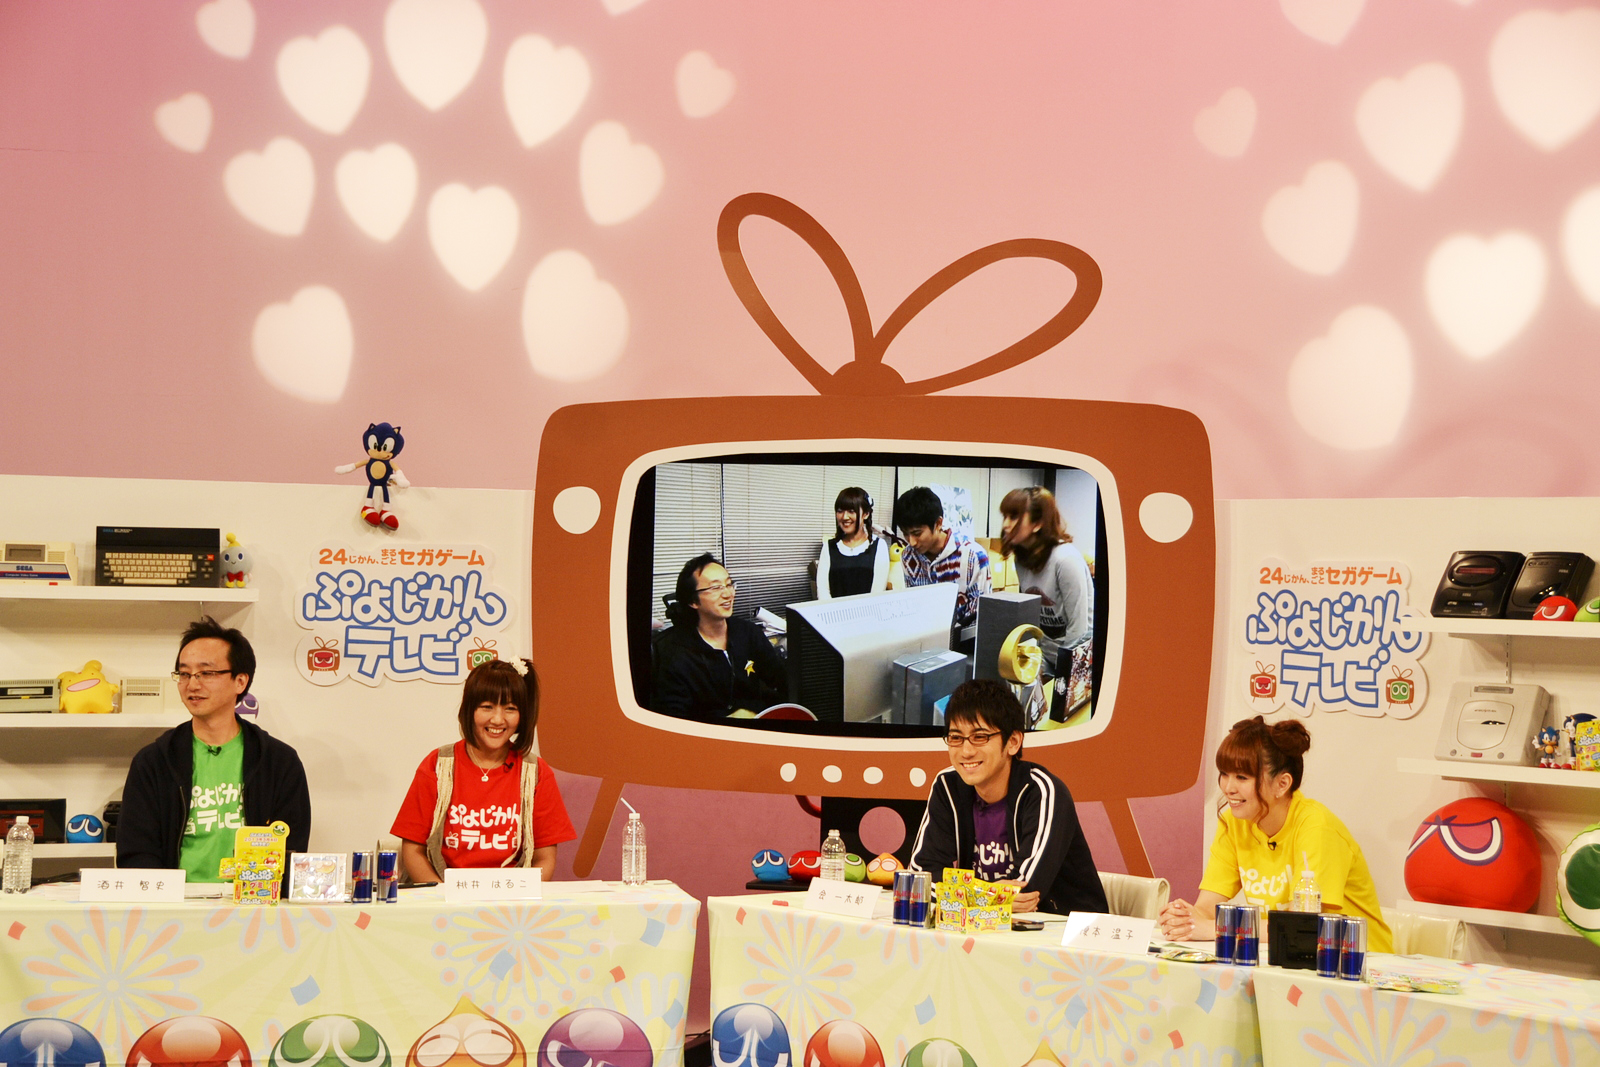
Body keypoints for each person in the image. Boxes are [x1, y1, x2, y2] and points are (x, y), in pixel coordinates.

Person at [1158, 716, 1393, 950]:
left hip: (1361, 960)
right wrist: (1185, 919)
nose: (1228, 787)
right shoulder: (1234, 822)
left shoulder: (1316, 826)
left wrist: (1215, 928)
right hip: (1292, 958)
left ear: (1282, 784)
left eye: (1242, 777)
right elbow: (1207, 908)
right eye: (1224, 774)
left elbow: (1299, 926)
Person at [118, 617, 311, 881]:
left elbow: (291, 847)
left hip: (253, 899)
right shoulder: (153, 761)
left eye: (206, 673)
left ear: (240, 681)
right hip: (175, 902)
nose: (192, 685)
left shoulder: (278, 761)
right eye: (184, 674)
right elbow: (136, 851)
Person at [908, 679, 1107, 914]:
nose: (966, 751)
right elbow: (920, 876)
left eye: (980, 737)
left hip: (1064, 927)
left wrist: (967, 895)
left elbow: (1025, 892)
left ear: (1013, 742)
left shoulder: (1043, 790)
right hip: (984, 924)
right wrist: (987, 897)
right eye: (955, 738)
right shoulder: (948, 785)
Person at [392, 657, 575, 883]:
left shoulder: (535, 772)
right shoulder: (438, 765)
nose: (497, 719)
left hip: (513, 896)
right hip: (444, 894)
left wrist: (519, 894)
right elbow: (413, 851)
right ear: (469, 709)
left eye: (510, 709)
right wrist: (443, 895)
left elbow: (544, 859)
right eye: (487, 707)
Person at [654, 553, 786, 720]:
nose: (728, 594)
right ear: (693, 601)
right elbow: (674, 718)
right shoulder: (674, 653)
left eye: (729, 584)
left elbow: (782, 680)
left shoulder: (748, 632)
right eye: (716, 588)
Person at [999, 486, 1093, 662]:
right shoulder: (1021, 560)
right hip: (1044, 657)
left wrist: (1062, 671)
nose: (1005, 525)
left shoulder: (1065, 559)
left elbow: (1078, 631)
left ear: (1037, 524)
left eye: (1014, 517)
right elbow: (1032, 617)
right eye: (1005, 517)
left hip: (1074, 661)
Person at [894, 486, 991, 630]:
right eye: (905, 533)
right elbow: (913, 607)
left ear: (938, 523)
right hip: (924, 636)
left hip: (964, 639)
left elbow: (980, 617)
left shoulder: (973, 556)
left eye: (917, 533)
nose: (911, 542)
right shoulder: (908, 556)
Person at [816, 486, 889, 599]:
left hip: (868, 609)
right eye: (840, 511)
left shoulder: (879, 546)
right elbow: (823, 590)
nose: (845, 517)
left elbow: (877, 593)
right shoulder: (829, 547)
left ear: (866, 514)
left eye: (851, 511)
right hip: (833, 609)